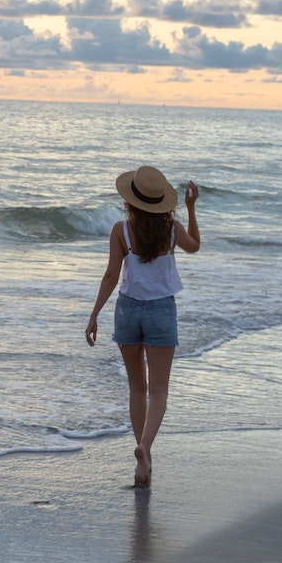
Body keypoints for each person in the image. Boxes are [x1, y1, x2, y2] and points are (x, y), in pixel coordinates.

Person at [85, 165, 200, 487]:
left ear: (130, 201)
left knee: (137, 389)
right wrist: (191, 208)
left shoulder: (120, 230)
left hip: (127, 311)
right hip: (161, 312)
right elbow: (195, 246)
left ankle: (142, 461)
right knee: (159, 391)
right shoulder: (173, 229)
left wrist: (94, 315)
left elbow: (110, 276)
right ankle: (145, 448)